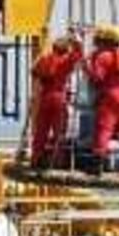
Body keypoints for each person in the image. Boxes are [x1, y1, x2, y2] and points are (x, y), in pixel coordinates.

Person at [84, 24, 119, 175]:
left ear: (103, 40)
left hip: (109, 96)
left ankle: (96, 165)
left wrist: (86, 67)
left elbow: (97, 78)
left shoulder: (103, 57)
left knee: (104, 129)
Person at [30, 32, 83, 169]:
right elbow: (78, 55)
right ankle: (57, 161)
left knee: (41, 131)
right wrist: (76, 41)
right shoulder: (64, 61)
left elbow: (34, 71)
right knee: (59, 132)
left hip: (44, 97)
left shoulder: (44, 59)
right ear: (65, 49)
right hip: (59, 97)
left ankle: (36, 159)